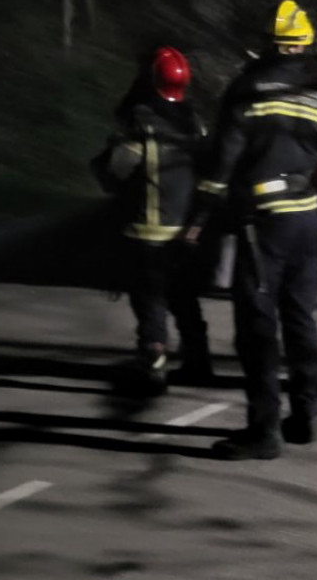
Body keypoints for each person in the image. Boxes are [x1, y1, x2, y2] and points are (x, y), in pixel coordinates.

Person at [189, 0, 317, 460]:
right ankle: (305, 417)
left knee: (256, 323)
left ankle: (263, 430)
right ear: (305, 44)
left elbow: (222, 161)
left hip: (263, 220)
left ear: (267, 43)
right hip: (305, 215)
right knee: (300, 318)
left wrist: (200, 215)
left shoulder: (246, 88)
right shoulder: (316, 92)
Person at [92, 45, 212, 397]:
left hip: (147, 232)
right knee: (186, 300)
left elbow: (115, 171)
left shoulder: (140, 122)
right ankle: (199, 362)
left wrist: (106, 159)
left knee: (150, 302)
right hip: (186, 231)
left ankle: (154, 364)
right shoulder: (194, 121)